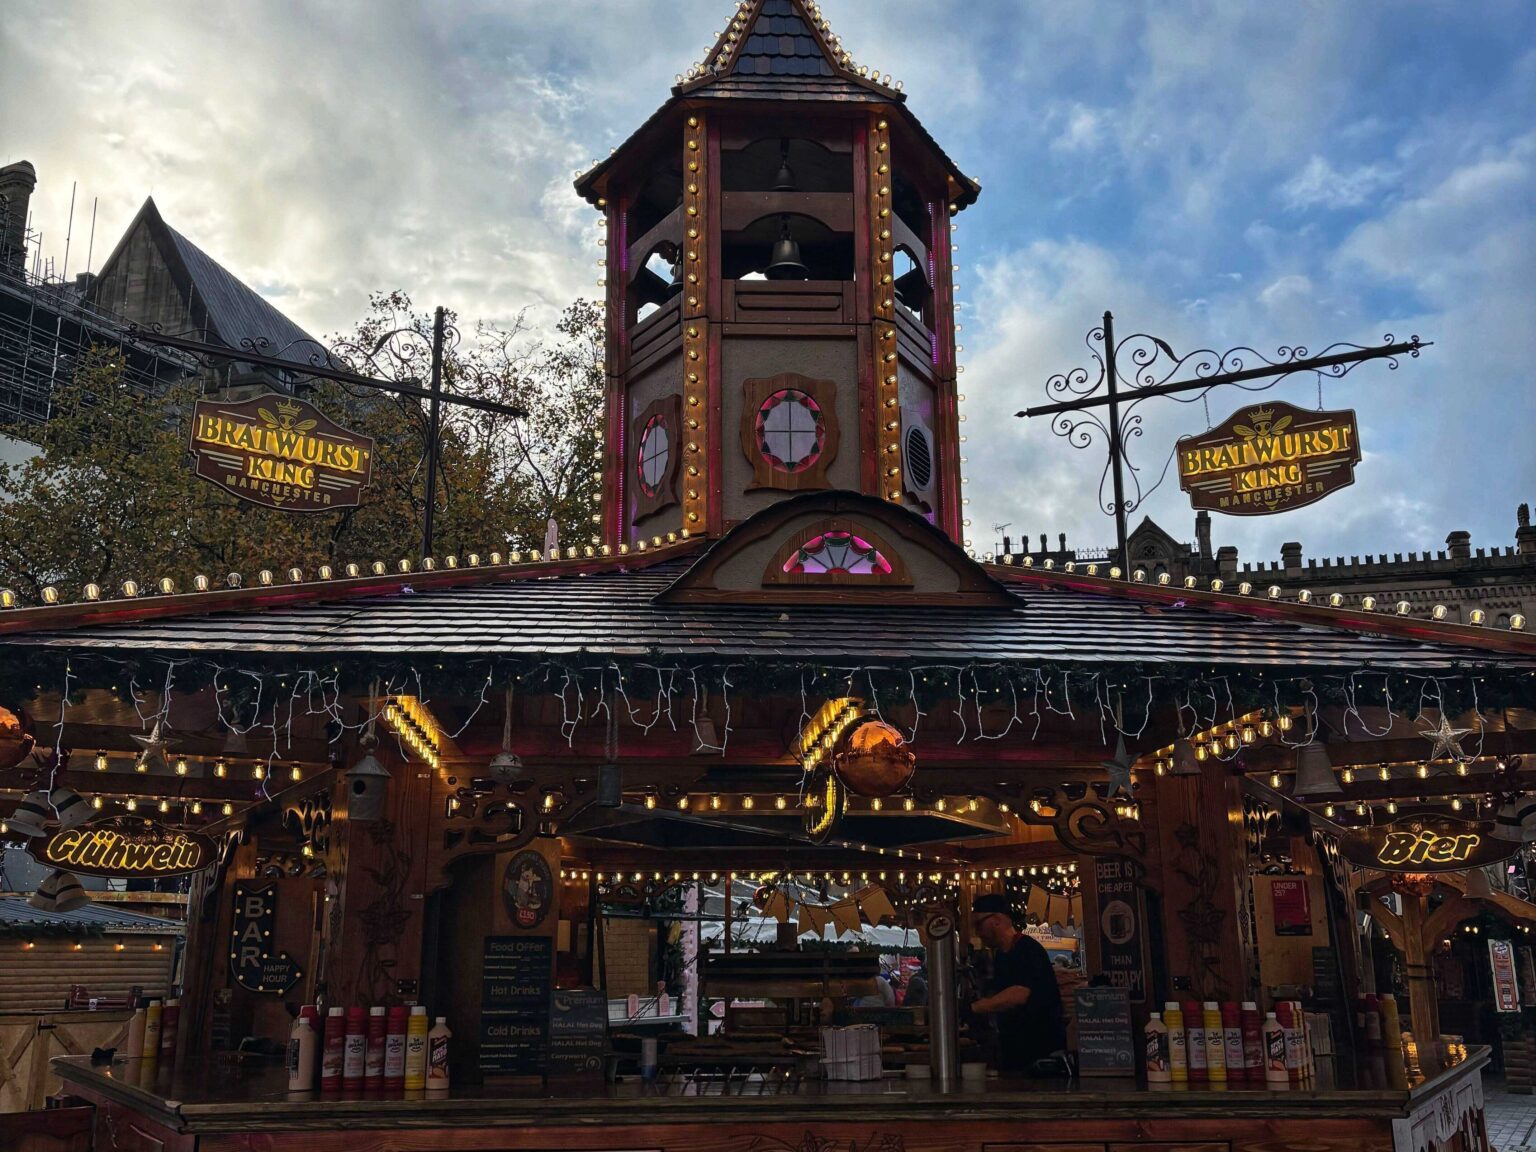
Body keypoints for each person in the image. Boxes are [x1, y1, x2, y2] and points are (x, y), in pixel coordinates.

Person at [968, 894, 1067, 1074]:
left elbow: (1019, 994)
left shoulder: (1027, 949)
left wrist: (976, 1007)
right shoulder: (1001, 956)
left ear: (996, 920)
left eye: (979, 924)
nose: (977, 932)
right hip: (1016, 1052)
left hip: (1040, 1054)